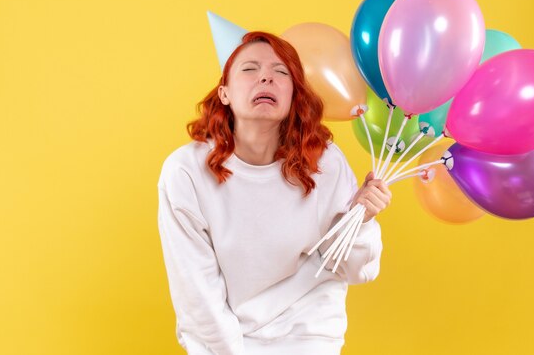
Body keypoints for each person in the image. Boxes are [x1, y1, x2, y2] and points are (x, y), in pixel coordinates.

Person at [157, 31, 392, 355]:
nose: (266, 76)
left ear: (294, 94)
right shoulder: (185, 173)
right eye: (250, 69)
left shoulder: (325, 163)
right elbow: (196, 294)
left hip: (309, 337)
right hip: (222, 343)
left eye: (281, 72)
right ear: (224, 93)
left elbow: (356, 270)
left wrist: (361, 219)